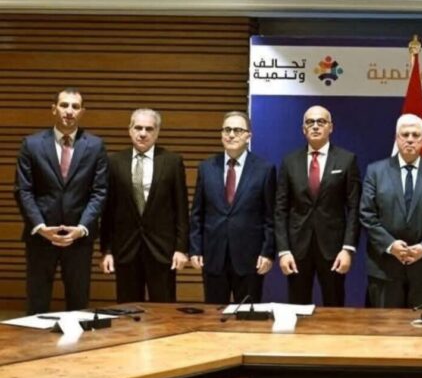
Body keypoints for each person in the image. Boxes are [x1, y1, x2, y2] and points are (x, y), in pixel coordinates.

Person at [15, 88, 108, 314]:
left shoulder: (95, 145)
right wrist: (40, 227)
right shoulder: (32, 144)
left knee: (78, 303)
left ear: (82, 111)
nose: (69, 111)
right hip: (41, 236)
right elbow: (23, 190)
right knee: (37, 302)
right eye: (64, 105)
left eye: (75, 107)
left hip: (79, 239)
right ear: (54, 109)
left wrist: (82, 228)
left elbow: (100, 192)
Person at [360, 114, 422, 308]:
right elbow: (367, 215)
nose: (410, 139)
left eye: (415, 135)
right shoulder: (375, 171)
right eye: (405, 134)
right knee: (386, 326)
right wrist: (390, 245)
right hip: (385, 267)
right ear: (397, 138)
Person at [99, 108, 188, 303]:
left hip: (162, 251)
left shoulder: (172, 162)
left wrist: (181, 248)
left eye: (149, 129)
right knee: (128, 309)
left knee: (164, 311)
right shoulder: (114, 162)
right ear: (129, 130)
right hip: (126, 250)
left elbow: (181, 208)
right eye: (138, 128)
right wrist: (107, 251)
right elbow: (108, 211)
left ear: (157, 132)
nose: (143, 133)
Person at [274, 105, 361, 306]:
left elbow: (354, 208)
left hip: (334, 249)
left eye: (321, 122)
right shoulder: (290, 161)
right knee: (296, 308)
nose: (315, 126)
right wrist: (284, 251)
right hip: (297, 249)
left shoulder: (347, 160)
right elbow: (280, 209)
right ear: (303, 129)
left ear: (331, 127)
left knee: (334, 308)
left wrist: (347, 249)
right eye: (310, 122)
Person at [189, 111, 276, 304]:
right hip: (213, 256)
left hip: (250, 259)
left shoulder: (264, 169)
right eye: (227, 130)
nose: (231, 135)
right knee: (213, 315)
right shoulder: (206, 167)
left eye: (238, 130)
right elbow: (197, 213)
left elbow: (270, 217)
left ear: (248, 136)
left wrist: (267, 252)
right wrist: (195, 249)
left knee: (247, 316)